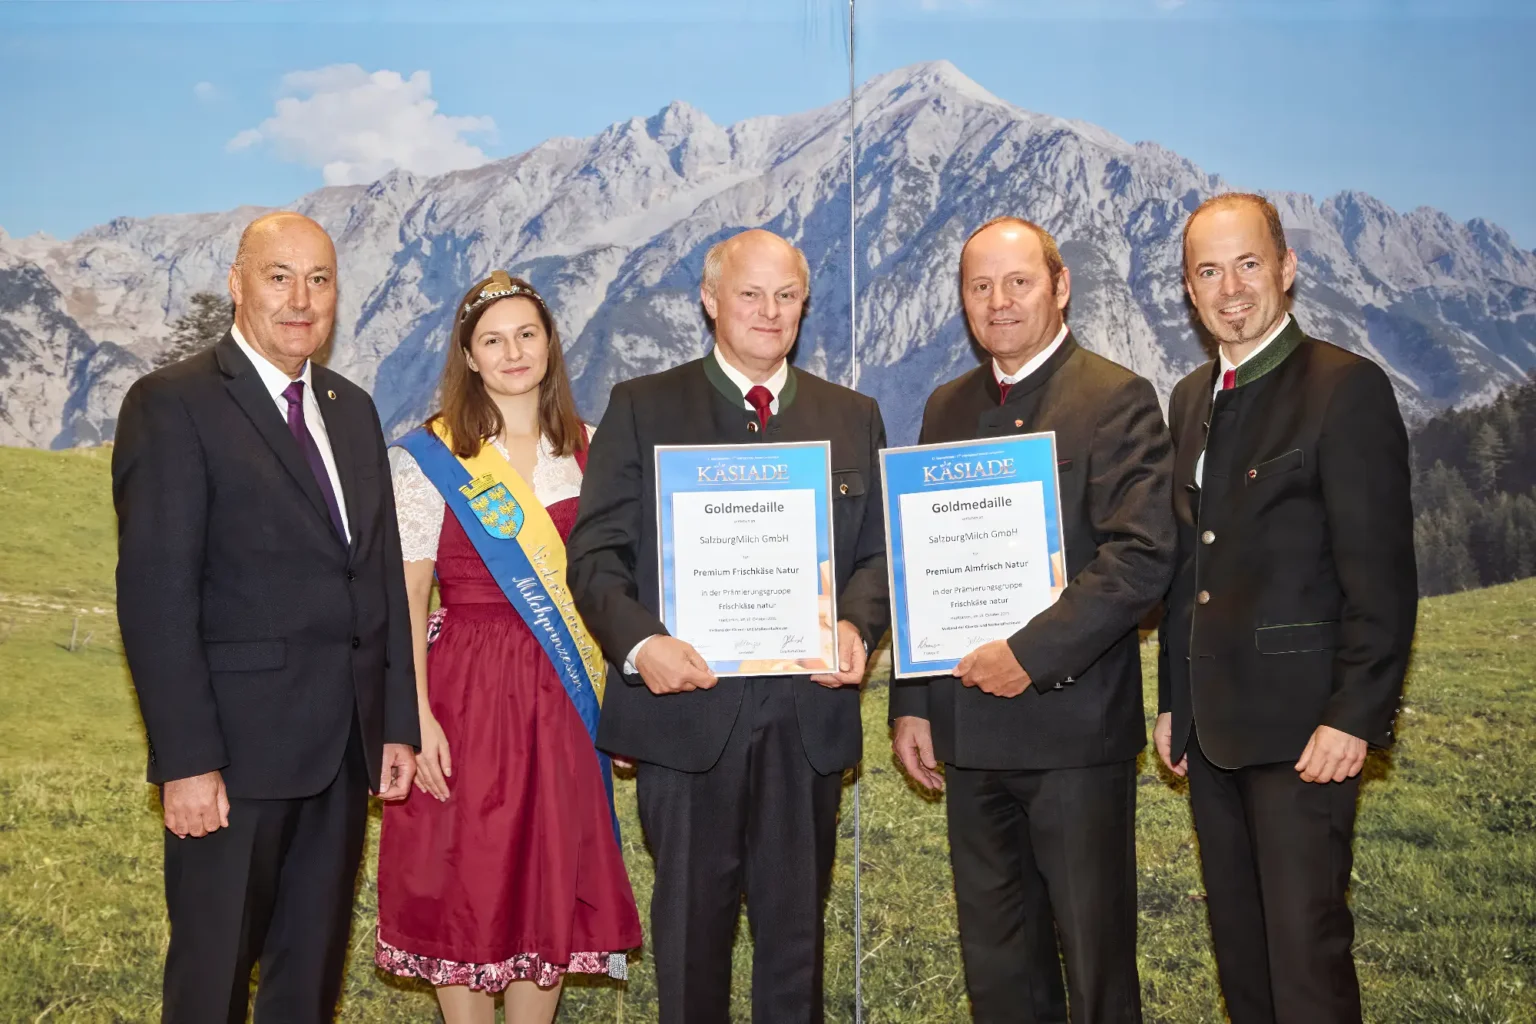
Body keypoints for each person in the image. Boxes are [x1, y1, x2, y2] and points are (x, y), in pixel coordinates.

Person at [566, 228, 890, 1023]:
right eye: (750, 294)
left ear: (804, 304)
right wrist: (644, 646)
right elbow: (597, 557)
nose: (769, 311)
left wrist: (856, 624)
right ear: (710, 301)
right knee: (688, 950)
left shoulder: (851, 415)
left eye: (786, 295)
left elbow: (879, 557)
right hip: (684, 721)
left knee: (794, 951)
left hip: (806, 721)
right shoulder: (642, 406)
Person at [112, 211, 420, 1023]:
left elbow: (378, 575)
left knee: (307, 980)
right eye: (279, 276)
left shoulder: (351, 409)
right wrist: (185, 760)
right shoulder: (172, 404)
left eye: (319, 279)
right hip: (231, 761)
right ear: (237, 285)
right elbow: (156, 595)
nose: (301, 298)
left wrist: (394, 723)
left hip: (342, 755)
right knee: (214, 979)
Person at [890, 217, 1175, 1024]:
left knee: (1094, 964)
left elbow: (1141, 556)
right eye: (979, 287)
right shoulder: (946, 407)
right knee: (997, 965)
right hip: (969, 732)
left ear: (1060, 286)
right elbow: (924, 561)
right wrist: (911, 700)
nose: (999, 301)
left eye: (1018, 282)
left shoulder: (1115, 397)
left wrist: (1029, 652)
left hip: (1073, 733)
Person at [1155, 193, 1417, 1024]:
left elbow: (1381, 579)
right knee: (1244, 963)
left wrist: (1356, 716)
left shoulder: (1346, 388)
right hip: (1211, 733)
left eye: (1247, 264)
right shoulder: (1190, 398)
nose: (1230, 288)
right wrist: (1172, 699)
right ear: (1189, 292)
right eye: (1208, 271)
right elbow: (1187, 564)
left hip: (1309, 737)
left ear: (1286, 269)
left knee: (1306, 963)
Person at [373, 271, 641, 1024]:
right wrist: (413, 713)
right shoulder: (429, 458)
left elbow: (617, 586)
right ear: (469, 355)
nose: (512, 352)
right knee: (459, 868)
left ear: (551, 343)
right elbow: (407, 595)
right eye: (492, 340)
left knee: (545, 871)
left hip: (563, 692)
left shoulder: (593, 451)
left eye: (527, 334)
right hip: (462, 688)